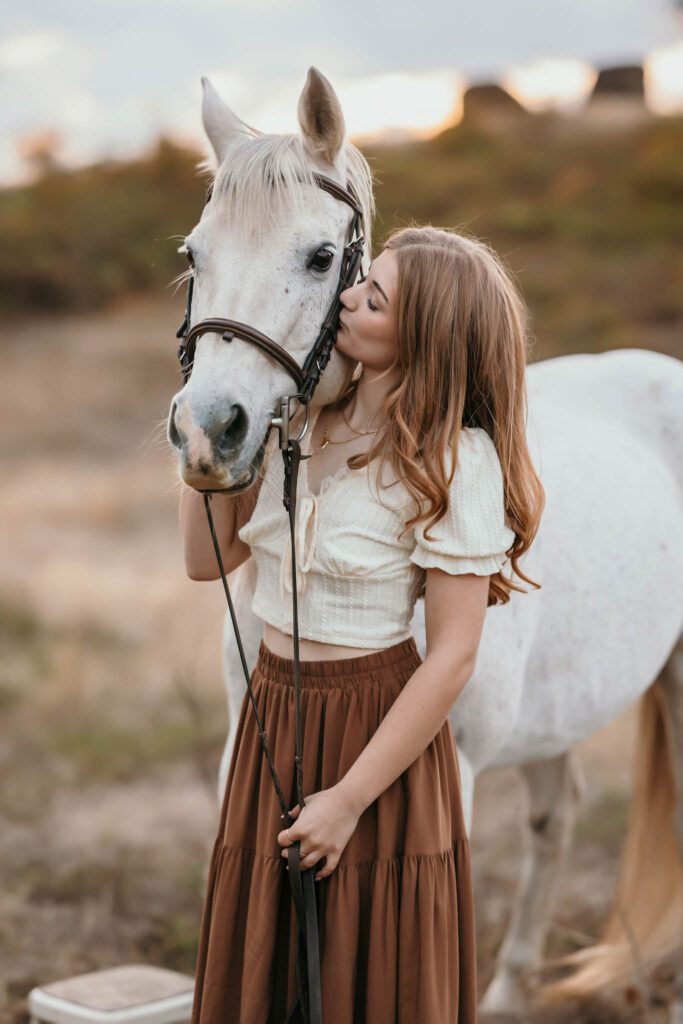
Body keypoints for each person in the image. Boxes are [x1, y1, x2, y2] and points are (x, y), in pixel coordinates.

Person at [180, 225, 545, 1023]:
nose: (346, 297)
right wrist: (203, 423)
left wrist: (347, 801)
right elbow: (204, 562)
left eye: (372, 296)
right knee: (266, 959)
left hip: (375, 735)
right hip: (272, 712)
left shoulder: (454, 462)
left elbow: (450, 658)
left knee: (366, 965)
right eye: (359, 281)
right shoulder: (297, 425)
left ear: (423, 336)